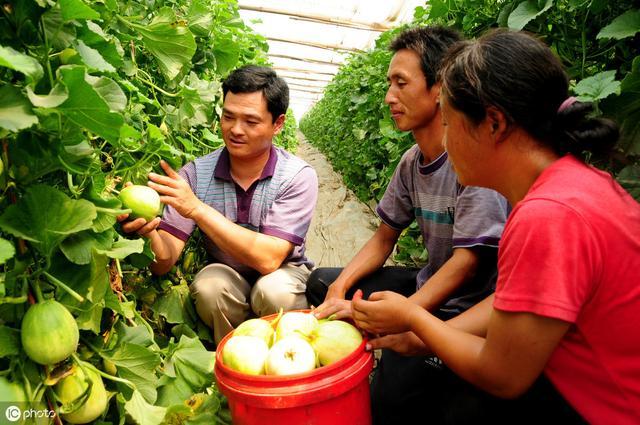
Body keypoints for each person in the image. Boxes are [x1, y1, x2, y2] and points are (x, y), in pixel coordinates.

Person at [352, 29, 640, 425]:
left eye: (450, 124)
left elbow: (503, 376)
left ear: (493, 123)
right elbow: (511, 306)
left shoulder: (546, 216)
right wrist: (421, 336)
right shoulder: (575, 183)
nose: (446, 142)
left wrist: (415, 318)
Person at [306, 26, 509, 424]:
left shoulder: (473, 162)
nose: (389, 98)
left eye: (401, 83)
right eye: (388, 84)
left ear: (440, 89)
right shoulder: (411, 162)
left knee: (388, 401)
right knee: (321, 282)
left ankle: (422, 358)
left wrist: (407, 318)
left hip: (467, 306)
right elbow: (384, 238)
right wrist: (340, 286)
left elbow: (467, 264)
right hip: (429, 285)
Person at [120, 65, 318, 344]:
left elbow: (269, 259)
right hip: (228, 274)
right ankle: (233, 356)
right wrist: (149, 232)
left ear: (278, 124)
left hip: (284, 272)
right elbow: (163, 262)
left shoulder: (297, 176)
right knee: (210, 287)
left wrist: (198, 209)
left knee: (274, 292)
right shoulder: (196, 174)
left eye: (250, 121)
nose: (235, 129)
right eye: (228, 117)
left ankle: (285, 361)